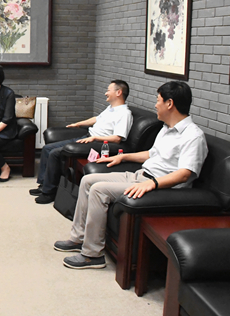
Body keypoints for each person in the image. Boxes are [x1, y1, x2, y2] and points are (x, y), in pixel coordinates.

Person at [54, 81, 208, 269]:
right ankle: (78, 238)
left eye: (158, 100)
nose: (155, 105)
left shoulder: (193, 136)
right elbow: (151, 154)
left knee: (99, 190)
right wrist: (124, 157)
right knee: (87, 180)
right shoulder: (166, 128)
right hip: (142, 174)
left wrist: (152, 184)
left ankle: (92, 255)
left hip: (160, 187)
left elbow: (184, 174)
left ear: (169, 103)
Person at [32, 80, 133, 204]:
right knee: (47, 148)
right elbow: (96, 119)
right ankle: (43, 185)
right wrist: (78, 124)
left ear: (118, 92)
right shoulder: (111, 108)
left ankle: (49, 192)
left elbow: (118, 138)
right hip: (88, 137)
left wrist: (95, 138)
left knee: (54, 153)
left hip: (98, 144)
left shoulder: (124, 114)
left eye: (108, 90)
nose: (106, 93)